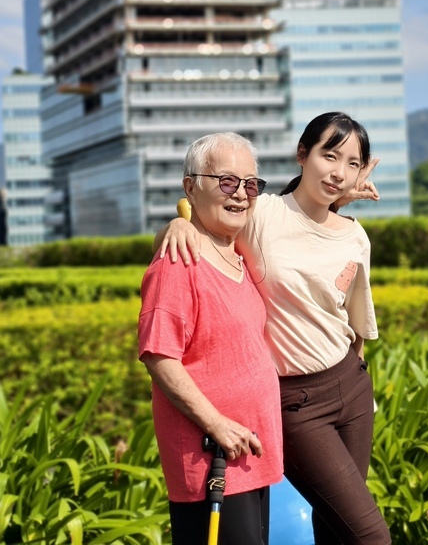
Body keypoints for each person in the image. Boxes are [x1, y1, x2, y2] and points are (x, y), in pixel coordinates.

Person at [156, 112, 391, 545]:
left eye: (353, 163)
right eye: (329, 155)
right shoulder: (262, 212)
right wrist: (177, 223)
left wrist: (357, 378)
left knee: (337, 530)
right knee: (369, 536)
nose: (339, 171)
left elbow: (356, 322)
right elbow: (206, 220)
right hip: (296, 403)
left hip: (351, 388)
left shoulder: (356, 237)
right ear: (302, 154)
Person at [138, 132, 283, 545]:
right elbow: (158, 355)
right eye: (226, 181)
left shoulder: (237, 255)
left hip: (248, 457)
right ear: (190, 187)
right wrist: (217, 424)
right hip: (211, 459)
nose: (240, 194)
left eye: (250, 184)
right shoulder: (178, 262)